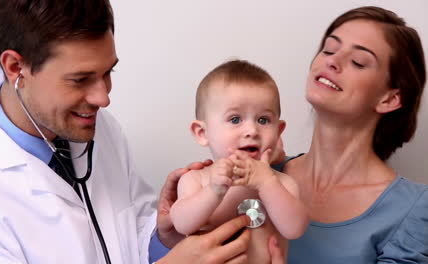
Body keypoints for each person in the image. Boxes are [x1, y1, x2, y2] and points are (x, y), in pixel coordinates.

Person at [0, 0, 255, 263]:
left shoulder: (99, 128)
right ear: (16, 67)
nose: (103, 98)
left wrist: (162, 237)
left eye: (107, 73)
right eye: (80, 79)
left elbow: (127, 239)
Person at [153, 5, 428, 264]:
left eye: (358, 61)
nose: (332, 62)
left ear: (390, 98)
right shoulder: (256, 170)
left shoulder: (414, 209)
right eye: (329, 49)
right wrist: (168, 238)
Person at [169, 60, 308, 263]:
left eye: (263, 120)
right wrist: (214, 191)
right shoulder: (196, 180)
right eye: (235, 119)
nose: (252, 131)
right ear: (202, 133)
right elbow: (181, 225)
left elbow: (295, 229)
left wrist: (266, 183)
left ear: (278, 132)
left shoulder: (282, 183)